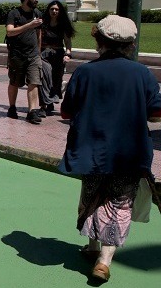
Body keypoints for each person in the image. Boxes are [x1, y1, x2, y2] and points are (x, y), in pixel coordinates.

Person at [58, 15, 161, 283]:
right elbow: (156, 113)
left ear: (99, 41)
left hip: (91, 148)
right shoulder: (142, 73)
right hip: (129, 151)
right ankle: (103, 260)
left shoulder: (84, 72)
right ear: (131, 44)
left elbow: (66, 111)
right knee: (120, 202)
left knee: (92, 194)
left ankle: (93, 247)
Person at [6, 0, 44, 124]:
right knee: (15, 82)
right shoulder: (14, 13)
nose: (37, 0)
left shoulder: (37, 13)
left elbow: (39, 34)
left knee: (34, 81)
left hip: (33, 55)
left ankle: (32, 111)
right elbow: (10, 32)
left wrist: (38, 52)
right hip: (17, 55)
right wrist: (29, 25)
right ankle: (12, 107)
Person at [39, 1, 75, 115]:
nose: (54, 11)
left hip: (58, 55)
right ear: (48, 10)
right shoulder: (42, 24)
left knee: (55, 79)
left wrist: (67, 55)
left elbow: (68, 43)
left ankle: (50, 102)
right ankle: (43, 105)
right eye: (52, 9)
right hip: (43, 55)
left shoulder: (63, 25)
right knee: (44, 77)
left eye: (57, 10)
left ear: (60, 12)